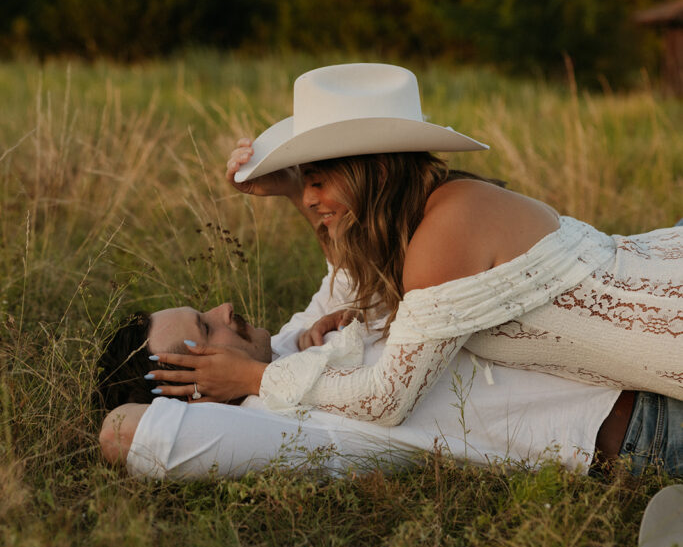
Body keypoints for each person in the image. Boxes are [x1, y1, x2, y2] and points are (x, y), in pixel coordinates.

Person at [143, 63, 682, 434]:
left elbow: (386, 400)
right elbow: (358, 269)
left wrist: (253, 378)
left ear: (377, 172)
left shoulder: (448, 230)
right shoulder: (436, 211)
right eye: (304, 181)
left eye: (317, 180)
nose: (308, 198)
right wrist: (289, 190)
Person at [97, 279, 683, 480]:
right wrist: (246, 381)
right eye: (206, 327)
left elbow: (343, 262)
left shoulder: (289, 347)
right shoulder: (277, 425)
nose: (225, 308)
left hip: (624, 342)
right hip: (639, 418)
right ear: (191, 385)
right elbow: (123, 432)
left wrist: (289, 184)